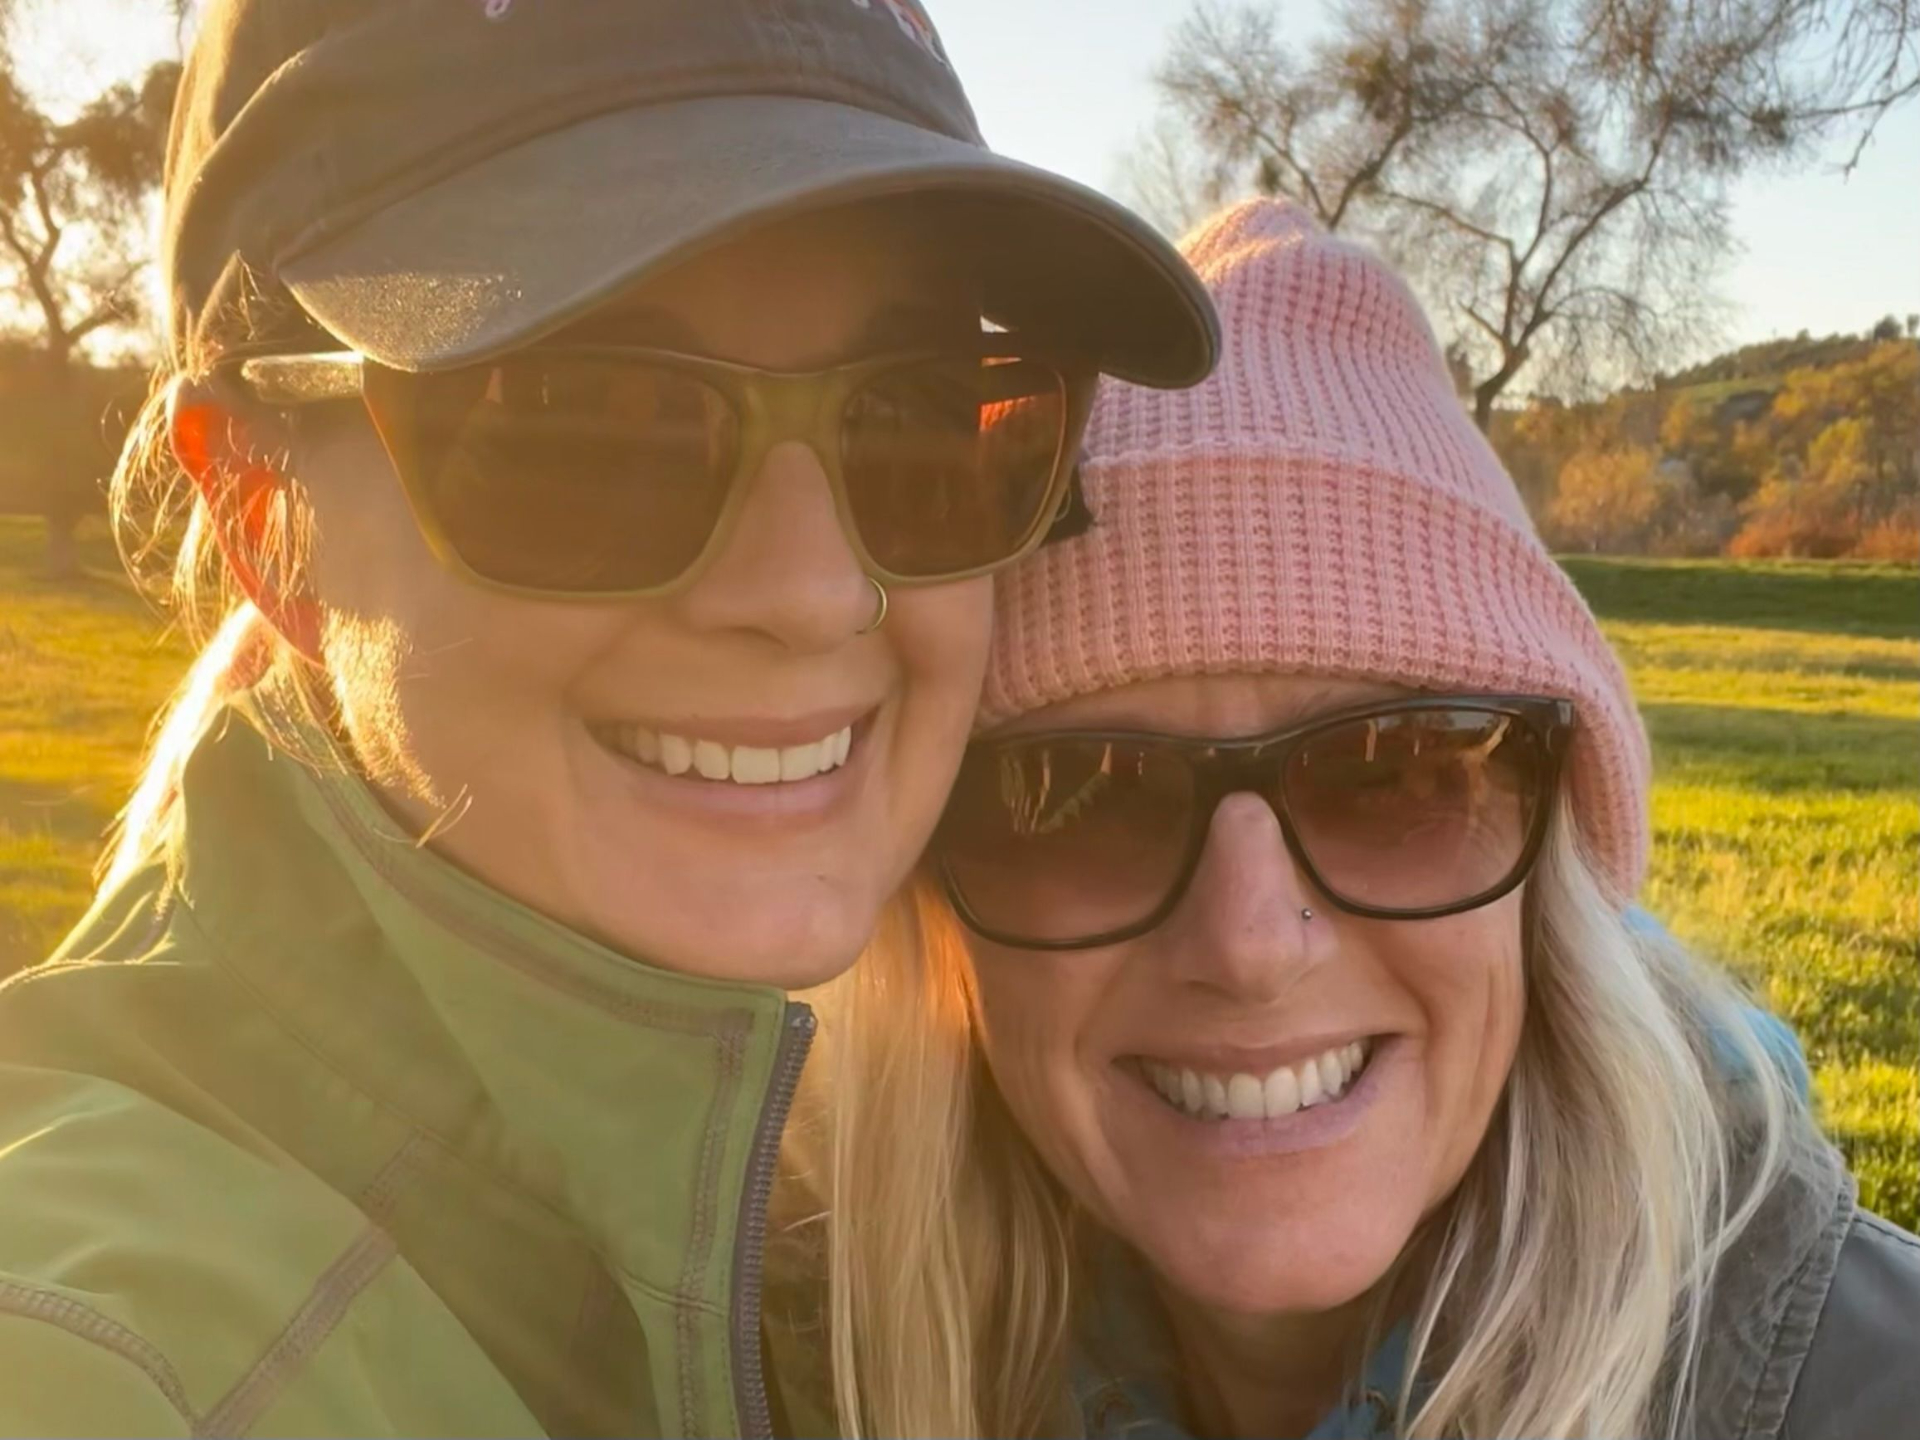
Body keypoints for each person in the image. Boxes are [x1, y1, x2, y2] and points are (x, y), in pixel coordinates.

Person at [0, 2, 1219, 1435]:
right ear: (265, 516)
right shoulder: (111, 1355)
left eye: (922, 416)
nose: (816, 592)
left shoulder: (926, 1206)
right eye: (583, 425)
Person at [789, 199, 1920, 1438]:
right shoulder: (769, 1372)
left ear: (1553, 870)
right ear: (934, 898)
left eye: (1396, 777)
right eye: (1080, 796)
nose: (1249, 947)